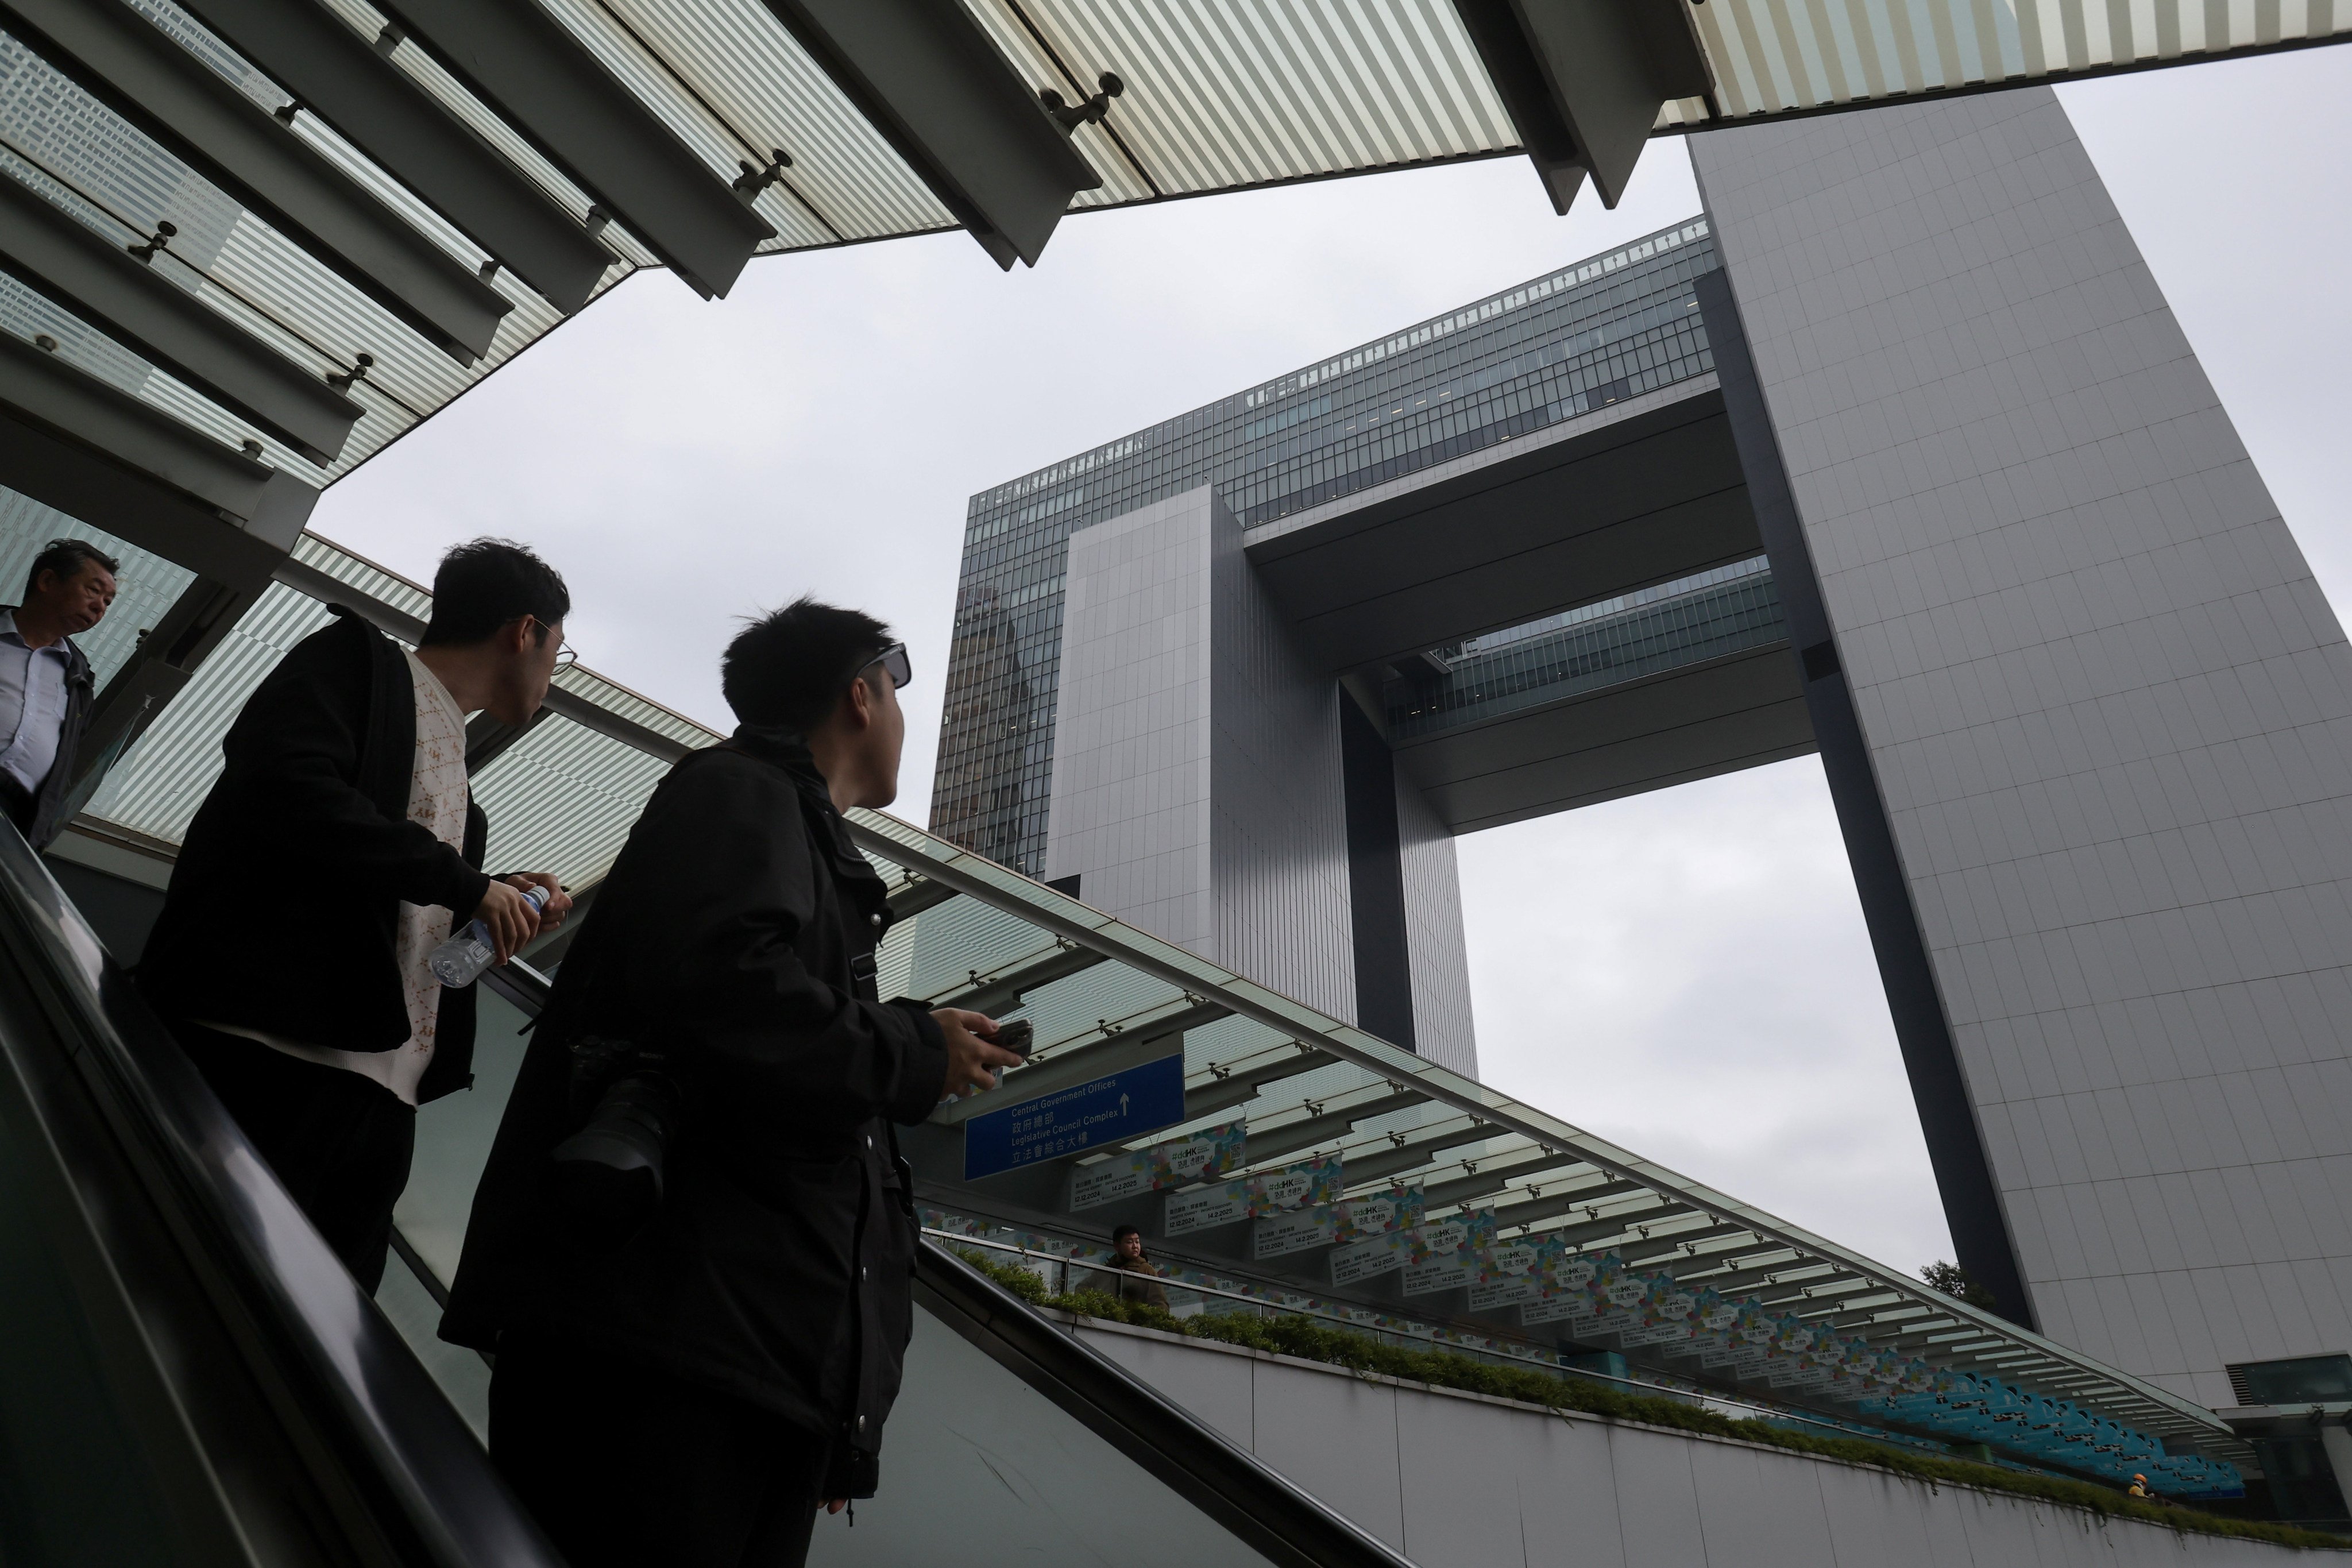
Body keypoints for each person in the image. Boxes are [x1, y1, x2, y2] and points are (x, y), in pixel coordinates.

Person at [442, 597, 1021, 1568]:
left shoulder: (792, 838)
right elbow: (728, 993)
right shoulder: (739, 792)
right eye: (900, 692)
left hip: (740, 1369)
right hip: (665, 1363)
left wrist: (840, 1414)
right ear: (862, 697)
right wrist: (916, 1055)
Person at [137, 538, 575, 1291]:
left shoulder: (463, 788)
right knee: (199, 1290)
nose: (552, 673)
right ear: (524, 630)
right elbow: (284, 784)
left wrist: (493, 892)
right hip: (269, 1054)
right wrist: (468, 884)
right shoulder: (359, 662)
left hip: (380, 1092)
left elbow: (391, 878)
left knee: (319, 1336)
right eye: (558, 650)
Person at [0, 538, 117, 850]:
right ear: (47, 581)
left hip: (13, 819)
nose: (99, 607)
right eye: (93, 591)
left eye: (108, 601)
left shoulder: (79, 680)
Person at [1096, 1224, 1171, 1309]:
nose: (1135, 1246)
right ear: (1117, 1246)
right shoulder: (1107, 1270)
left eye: (1137, 1242)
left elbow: (1160, 1303)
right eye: (1129, 1242)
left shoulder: (1146, 1269)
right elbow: (1084, 1287)